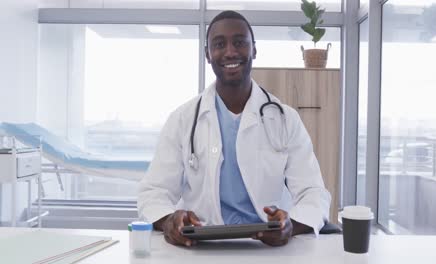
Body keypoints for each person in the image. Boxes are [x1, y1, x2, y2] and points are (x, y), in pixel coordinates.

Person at [138, 10, 331, 247]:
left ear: (254, 49)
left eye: (239, 42)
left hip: (267, 248)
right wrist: (171, 221)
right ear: (207, 54)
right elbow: (154, 193)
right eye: (219, 44)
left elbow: (313, 192)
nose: (230, 51)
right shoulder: (182, 120)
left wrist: (289, 225)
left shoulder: (285, 119)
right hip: (202, 246)